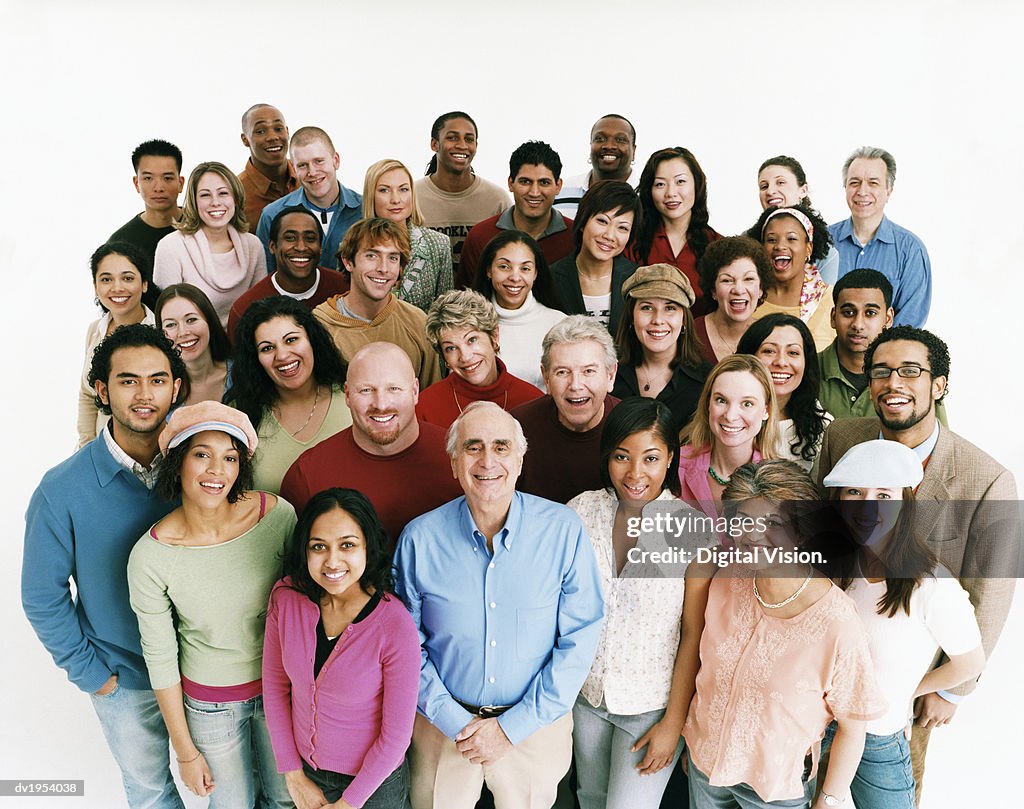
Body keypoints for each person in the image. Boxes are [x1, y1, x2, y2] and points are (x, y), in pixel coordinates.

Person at [815, 326, 1019, 802]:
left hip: (904, 689)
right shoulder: (842, 437)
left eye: (911, 371)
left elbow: (991, 596)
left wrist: (947, 689)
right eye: (881, 372)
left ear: (939, 384)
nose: (894, 383)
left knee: (892, 789)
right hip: (824, 676)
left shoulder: (988, 480)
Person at [394, 401, 605, 809]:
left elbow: (579, 640)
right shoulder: (419, 539)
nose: (487, 460)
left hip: (534, 726)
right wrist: (456, 721)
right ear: (454, 462)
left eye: (501, 447)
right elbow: (405, 647)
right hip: (442, 725)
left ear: (521, 460)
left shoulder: (563, 531)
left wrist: (511, 728)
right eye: (473, 447)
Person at [24, 324, 187, 809]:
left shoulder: (203, 469)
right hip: (125, 677)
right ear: (102, 389)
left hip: (208, 670)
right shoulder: (61, 489)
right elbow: (42, 597)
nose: (144, 394)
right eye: (128, 380)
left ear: (176, 388)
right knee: (152, 793)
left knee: (237, 789)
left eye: (157, 380)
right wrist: (95, 675)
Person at [684, 460, 885, 809]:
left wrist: (830, 798)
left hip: (775, 791)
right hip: (705, 770)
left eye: (773, 522)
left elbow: (853, 729)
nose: (753, 534)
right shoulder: (725, 581)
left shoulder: (836, 622)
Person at [127, 401, 296, 808]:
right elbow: (161, 659)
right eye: (202, 454)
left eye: (230, 458)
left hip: (281, 693)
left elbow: (307, 609)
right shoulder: (150, 556)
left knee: (286, 801)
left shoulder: (276, 517)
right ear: (177, 462)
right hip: (210, 707)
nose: (216, 471)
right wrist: (185, 752)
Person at [820, 440, 985, 809]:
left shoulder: (931, 583)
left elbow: (970, 663)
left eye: (883, 494)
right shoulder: (837, 567)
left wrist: (907, 693)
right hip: (820, 728)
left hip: (879, 737)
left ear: (905, 500)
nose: (867, 506)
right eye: (854, 492)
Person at [567, 398, 710, 809]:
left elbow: (693, 633)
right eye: (621, 457)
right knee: (590, 800)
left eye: (650, 458)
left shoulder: (691, 528)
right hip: (586, 699)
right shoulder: (580, 511)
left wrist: (673, 723)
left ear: (669, 458)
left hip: (651, 706)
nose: (634, 473)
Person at [263, 488, 420, 809]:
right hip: (308, 775)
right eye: (318, 547)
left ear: (368, 547)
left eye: (347, 545)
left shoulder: (394, 625)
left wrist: (348, 804)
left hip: (374, 784)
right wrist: (293, 775)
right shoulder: (285, 598)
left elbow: (395, 739)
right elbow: (276, 688)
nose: (332, 561)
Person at [280, 341, 461, 543]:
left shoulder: (460, 458)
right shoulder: (307, 476)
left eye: (394, 388)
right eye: (366, 390)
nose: (381, 404)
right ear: (347, 395)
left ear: (415, 391)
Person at [227, 296, 352, 494]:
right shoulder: (239, 416)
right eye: (267, 348)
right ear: (255, 359)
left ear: (312, 340)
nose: (283, 355)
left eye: (291, 340)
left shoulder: (353, 398)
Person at [313, 217, 442, 389]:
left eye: (393, 258)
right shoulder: (319, 327)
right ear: (348, 261)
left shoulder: (417, 322)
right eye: (372, 256)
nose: (383, 268)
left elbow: (430, 398)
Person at [512, 315, 620, 503]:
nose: (575, 385)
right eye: (562, 372)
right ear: (546, 378)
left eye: (588, 371)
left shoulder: (635, 427)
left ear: (610, 375)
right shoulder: (516, 427)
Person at [153, 161, 267, 327]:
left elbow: (261, 309)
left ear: (235, 198)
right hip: (191, 343)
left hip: (244, 343)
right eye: (205, 195)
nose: (215, 202)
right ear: (194, 201)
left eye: (223, 193)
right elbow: (168, 320)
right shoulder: (171, 247)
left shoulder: (253, 245)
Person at [828, 147, 931, 327]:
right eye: (854, 182)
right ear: (845, 187)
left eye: (873, 183)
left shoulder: (910, 250)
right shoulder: (823, 241)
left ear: (889, 190)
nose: (862, 191)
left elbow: (909, 322)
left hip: (885, 354)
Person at [419, 289, 543, 429]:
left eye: (472, 340)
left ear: (494, 336)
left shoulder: (532, 400)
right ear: (444, 357)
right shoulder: (425, 406)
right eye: (451, 348)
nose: (465, 357)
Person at [78, 241, 161, 448]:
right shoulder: (95, 330)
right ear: (96, 286)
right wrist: (85, 450)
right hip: (100, 450)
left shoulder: (160, 334)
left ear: (144, 284)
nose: (117, 287)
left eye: (127, 278)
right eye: (106, 279)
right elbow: (87, 395)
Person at [459, 140, 574, 288]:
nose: (534, 192)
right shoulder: (481, 236)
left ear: (558, 186)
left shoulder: (575, 238)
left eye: (544, 182)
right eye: (525, 182)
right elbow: (465, 302)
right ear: (510, 183)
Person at [678, 354, 779, 519]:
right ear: (707, 404)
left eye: (747, 404)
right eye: (721, 400)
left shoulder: (781, 483)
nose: (731, 416)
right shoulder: (674, 466)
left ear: (766, 410)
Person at [227, 205, 350, 341]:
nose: (301, 247)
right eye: (290, 238)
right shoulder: (245, 309)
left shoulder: (346, 289)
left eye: (310, 239)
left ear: (321, 247)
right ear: (273, 246)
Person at [612, 264, 709, 435]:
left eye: (670, 308)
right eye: (647, 307)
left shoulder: (707, 380)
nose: (658, 319)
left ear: (684, 320)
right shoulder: (608, 371)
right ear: (631, 317)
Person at [414, 111, 511, 280]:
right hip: (422, 303)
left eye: (469, 139)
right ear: (434, 144)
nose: (462, 145)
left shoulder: (497, 200)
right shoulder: (411, 196)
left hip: (480, 303)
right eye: (452, 138)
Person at [627, 147, 721, 316]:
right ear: (649, 190)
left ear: (697, 184)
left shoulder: (717, 246)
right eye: (660, 184)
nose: (671, 193)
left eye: (680, 182)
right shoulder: (632, 242)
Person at [472, 230, 568, 390]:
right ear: (489, 270)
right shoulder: (468, 322)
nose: (515, 277)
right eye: (504, 267)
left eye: (525, 269)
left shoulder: (559, 324)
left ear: (536, 273)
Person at [257, 126, 363, 271]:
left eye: (319, 161)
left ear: (336, 161)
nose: (312, 172)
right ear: (294, 168)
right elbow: (267, 277)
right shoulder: (272, 215)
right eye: (302, 165)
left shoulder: (365, 209)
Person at [738, 313, 831, 472]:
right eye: (769, 351)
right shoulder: (728, 415)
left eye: (793, 352)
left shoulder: (822, 426)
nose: (781, 362)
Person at [550, 180, 640, 335]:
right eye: (602, 221)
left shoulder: (637, 279)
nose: (610, 235)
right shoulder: (551, 278)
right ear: (583, 221)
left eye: (622, 228)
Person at [363, 158, 453, 312]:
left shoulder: (438, 244)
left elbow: (445, 311)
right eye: (384, 190)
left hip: (422, 335)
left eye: (403, 189)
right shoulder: (354, 243)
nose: (396, 199)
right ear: (371, 195)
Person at [746, 204, 836, 351]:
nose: (780, 246)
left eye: (791, 239)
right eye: (771, 240)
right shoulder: (748, 298)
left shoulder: (832, 299)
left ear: (808, 249)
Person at [817, 269, 895, 419]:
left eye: (870, 313)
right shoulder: (805, 372)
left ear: (888, 318)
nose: (858, 325)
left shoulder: (910, 376)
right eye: (848, 313)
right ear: (833, 317)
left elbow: (939, 439)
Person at [756, 155, 840, 284]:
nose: (770, 191)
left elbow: (826, 302)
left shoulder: (825, 251)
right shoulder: (748, 242)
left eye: (781, 183)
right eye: (764, 186)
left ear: (803, 190)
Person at [692, 236, 771, 364]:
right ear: (713, 290)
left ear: (761, 288)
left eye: (749, 279)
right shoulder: (690, 336)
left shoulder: (770, 337)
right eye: (727, 280)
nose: (739, 290)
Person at [109, 139, 184, 266]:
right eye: (148, 178)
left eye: (168, 178)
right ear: (136, 183)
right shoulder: (120, 243)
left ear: (180, 183)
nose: (159, 187)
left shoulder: (203, 227)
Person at [156, 283, 231, 405]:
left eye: (191, 320)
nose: (183, 333)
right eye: (171, 325)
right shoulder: (160, 389)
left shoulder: (242, 375)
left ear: (209, 321)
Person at [555, 114, 638, 218]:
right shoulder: (560, 191)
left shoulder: (647, 196)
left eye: (620, 140)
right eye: (600, 139)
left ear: (634, 150)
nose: (609, 146)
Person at [238, 103, 298, 226]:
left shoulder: (309, 176)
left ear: (287, 132)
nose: (272, 137)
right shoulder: (235, 193)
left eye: (278, 129)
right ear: (245, 139)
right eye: (260, 131)